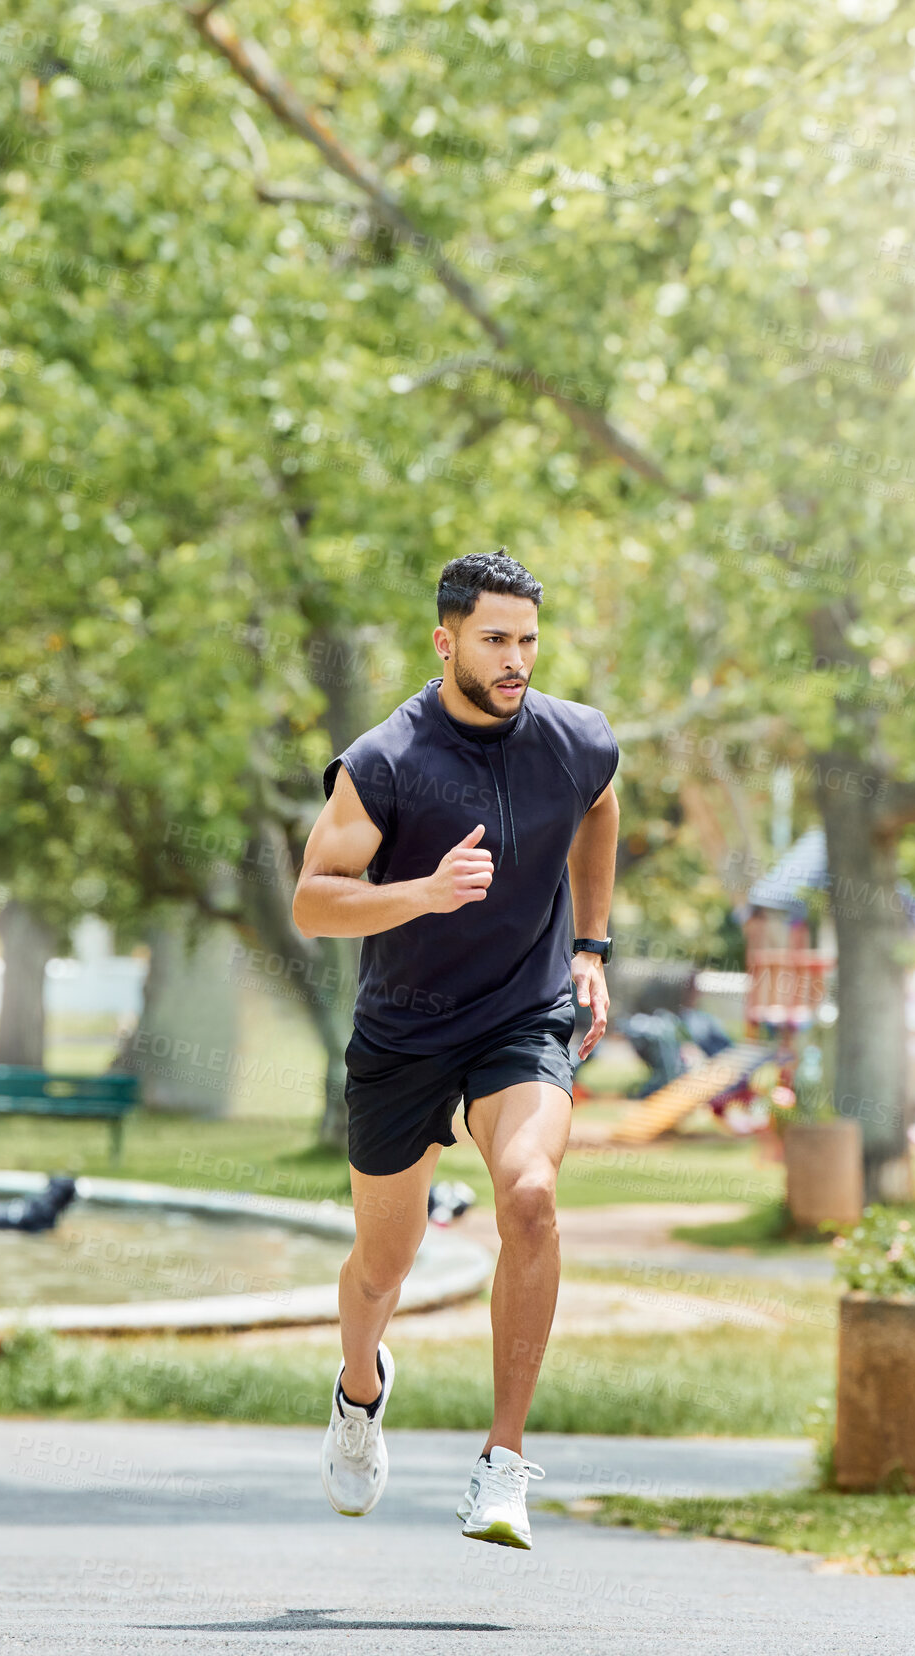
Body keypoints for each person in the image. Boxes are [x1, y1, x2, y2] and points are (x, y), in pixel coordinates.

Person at [292, 547, 619, 1550]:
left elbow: (598, 806)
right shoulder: (385, 760)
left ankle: (502, 1463)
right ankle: (358, 1388)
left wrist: (592, 948)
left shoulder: (573, 740)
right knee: (384, 1265)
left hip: (521, 1012)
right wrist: (419, 895)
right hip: (403, 1032)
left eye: (526, 638)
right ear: (445, 642)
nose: (515, 658)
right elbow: (312, 902)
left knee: (528, 1195)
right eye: (493, 639)